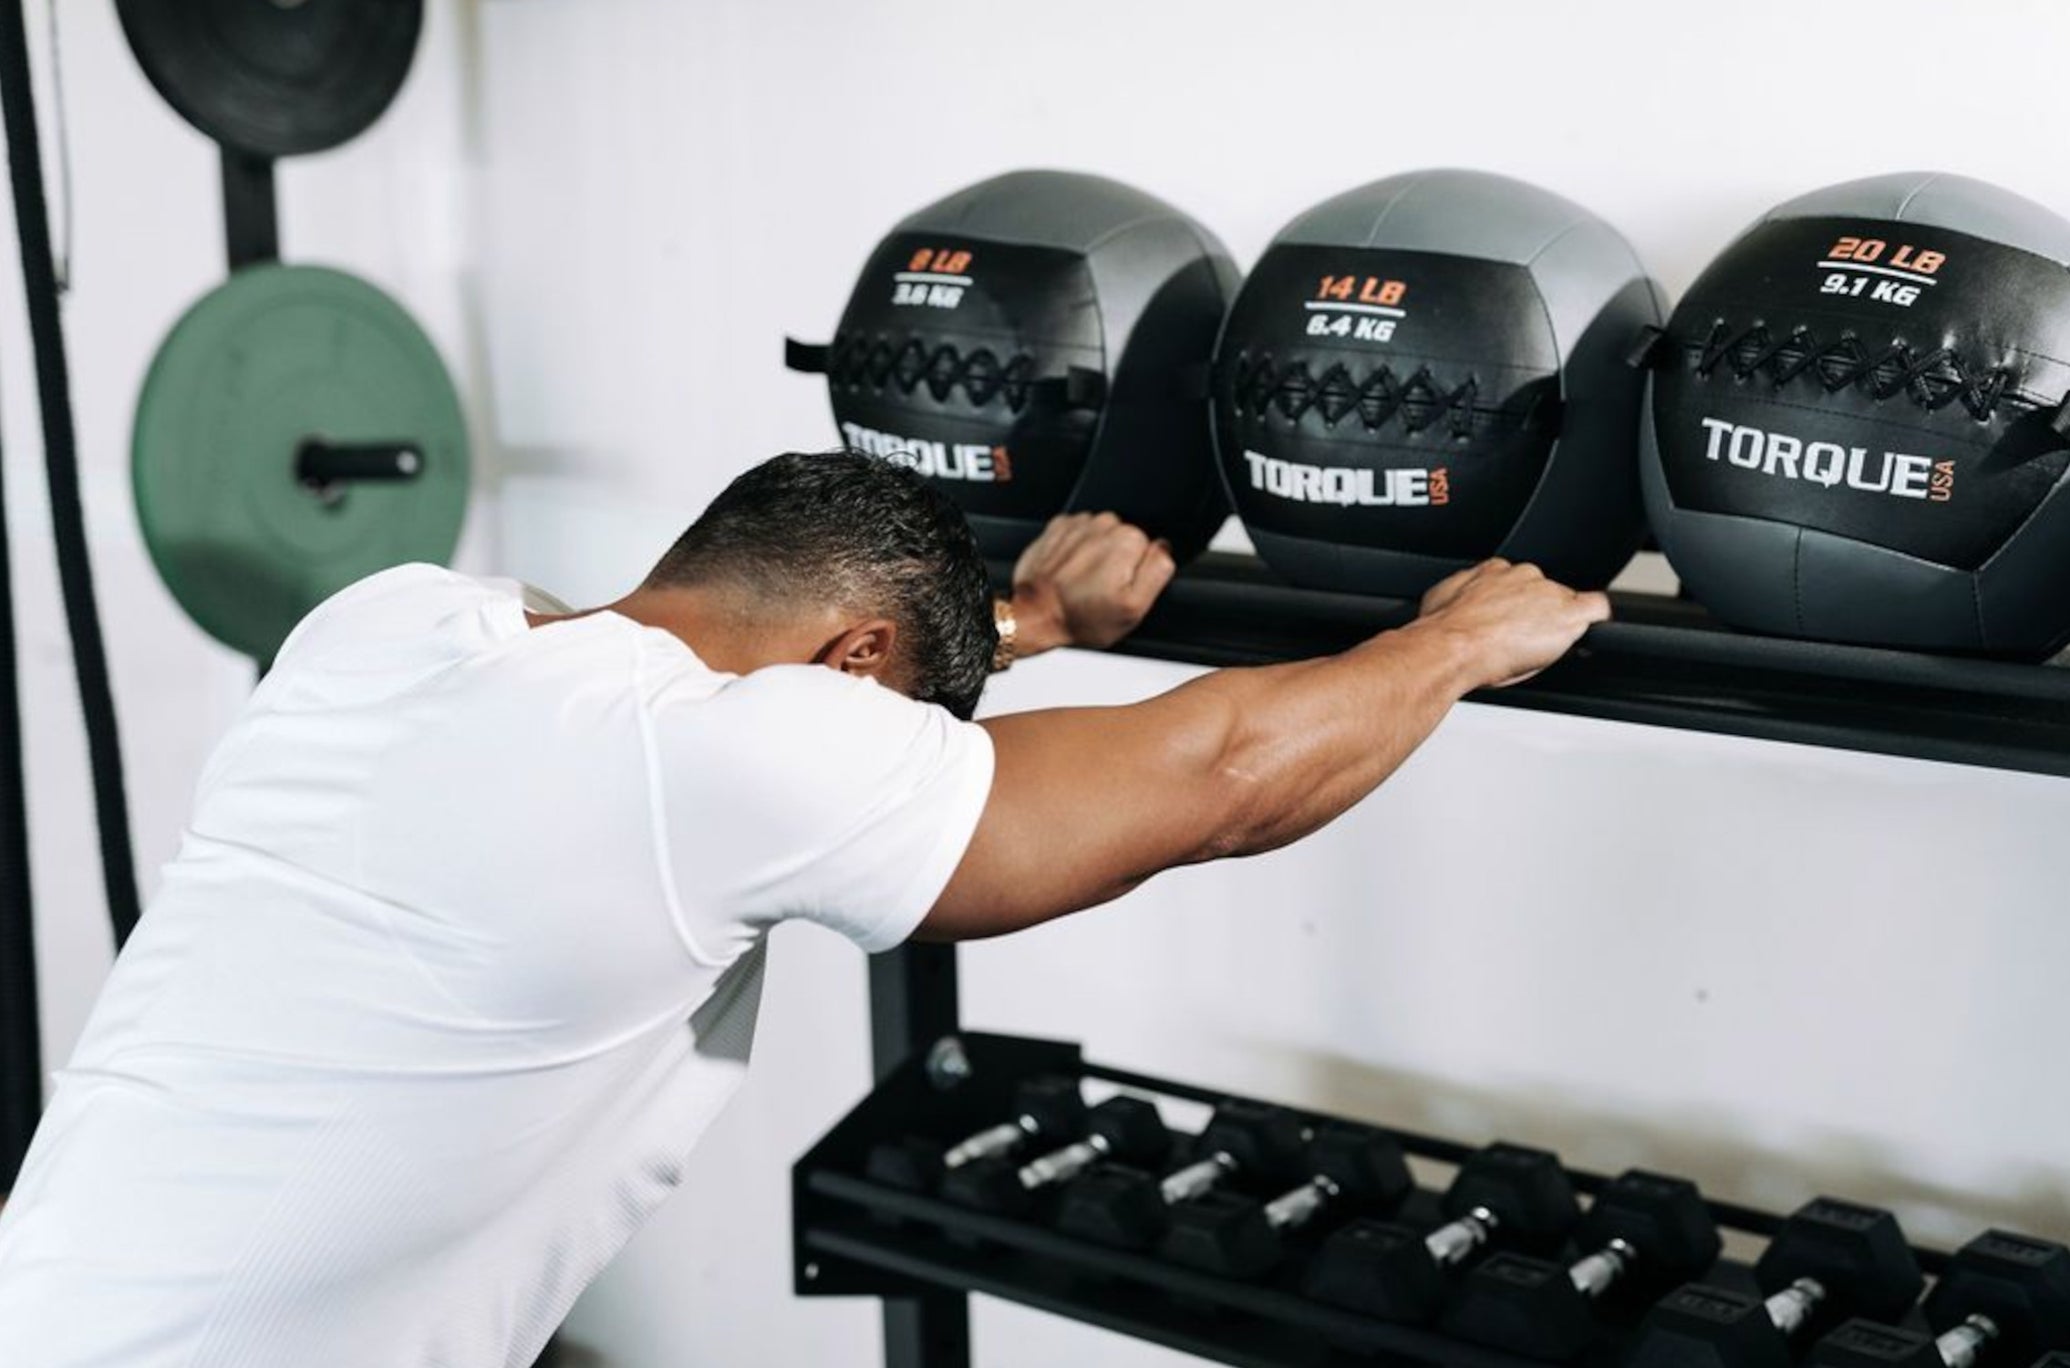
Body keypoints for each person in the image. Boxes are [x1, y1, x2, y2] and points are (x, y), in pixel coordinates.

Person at [0, 450, 1607, 1366]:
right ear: (848, 671)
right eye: (896, 712)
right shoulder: (710, 768)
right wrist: (1457, 642)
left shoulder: (397, 627)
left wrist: (1021, 620)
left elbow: (675, 671)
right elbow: (1230, 770)